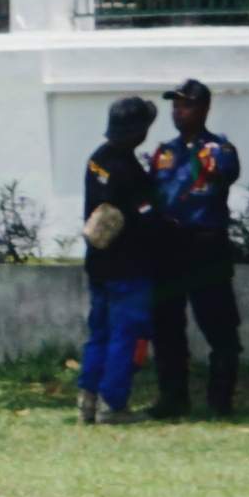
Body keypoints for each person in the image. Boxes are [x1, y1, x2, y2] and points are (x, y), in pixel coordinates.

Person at [143, 78, 244, 419]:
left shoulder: (219, 149)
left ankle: (220, 400)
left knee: (219, 326)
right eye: (175, 105)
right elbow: (151, 196)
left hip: (205, 245)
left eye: (185, 105)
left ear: (203, 109)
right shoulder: (164, 152)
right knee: (167, 326)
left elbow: (225, 173)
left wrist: (210, 164)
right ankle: (172, 397)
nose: (178, 111)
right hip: (167, 247)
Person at [76, 94, 163, 423]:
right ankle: (113, 404)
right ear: (136, 131)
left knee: (99, 332)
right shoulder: (128, 169)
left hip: (98, 264)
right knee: (125, 335)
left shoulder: (97, 159)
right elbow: (146, 215)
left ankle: (87, 399)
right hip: (128, 268)